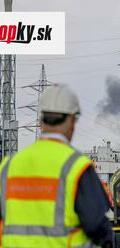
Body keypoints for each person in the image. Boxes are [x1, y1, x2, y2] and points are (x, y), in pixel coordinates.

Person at [0, 84, 113, 247]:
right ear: (72, 121)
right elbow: (97, 226)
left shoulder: (8, 166)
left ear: (41, 120)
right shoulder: (77, 167)